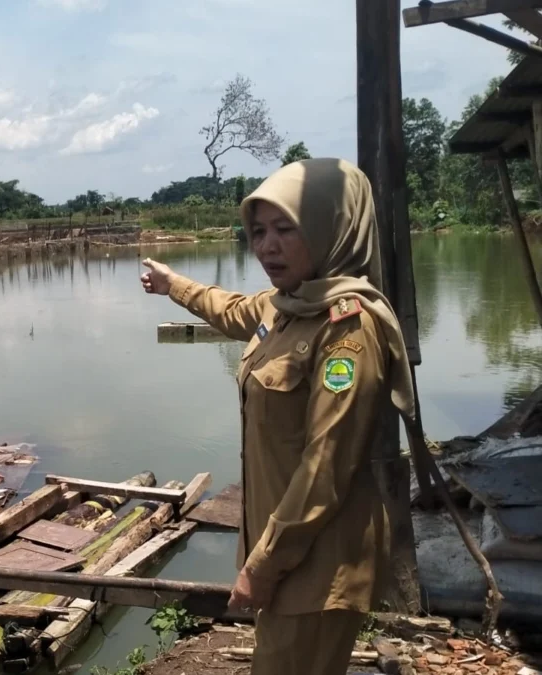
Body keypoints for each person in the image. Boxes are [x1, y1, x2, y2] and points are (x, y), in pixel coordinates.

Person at [141, 158, 416, 675]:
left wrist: (263, 567)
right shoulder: (289, 305)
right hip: (289, 558)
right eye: (259, 231)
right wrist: (171, 283)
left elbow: (325, 468)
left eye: (285, 229)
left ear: (331, 228)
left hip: (317, 563)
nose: (267, 246)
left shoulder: (347, 330)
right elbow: (231, 308)